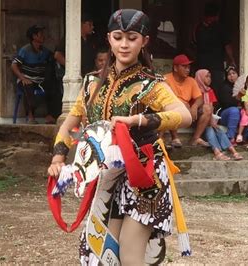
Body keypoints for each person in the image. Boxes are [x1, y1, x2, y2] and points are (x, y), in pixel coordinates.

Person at [47, 9, 192, 264]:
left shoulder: (151, 84)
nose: (124, 44)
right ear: (109, 39)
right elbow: (70, 123)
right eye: (118, 37)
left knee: (129, 253)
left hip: (145, 177)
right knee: (104, 252)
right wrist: (58, 158)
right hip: (107, 178)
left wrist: (138, 120)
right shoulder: (91, 83)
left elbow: (185, 114)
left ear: (144, 41)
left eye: (132, 38)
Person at [11, 25, 58, 124]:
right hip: (26, 80)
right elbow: (14, 65)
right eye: (41, 34)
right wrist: (22, 78)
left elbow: (54, 57)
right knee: (28, 86)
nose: (43, 36)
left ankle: (50, 116)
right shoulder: (25, 50)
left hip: (39, 81)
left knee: (54, 87)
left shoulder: (44, 51)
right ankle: (30, 116)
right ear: (34, 36)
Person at [164, 54, 211, 147]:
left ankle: (195, 138)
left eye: (188, 67)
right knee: (175, 106)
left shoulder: (191, 81)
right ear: (175, 68)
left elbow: (199, 98)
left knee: (207, 108)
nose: (188, 70)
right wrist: (182, 104)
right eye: (184, 67)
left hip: (189, 110)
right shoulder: (165, 79)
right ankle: (175, 137)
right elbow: (165, 98)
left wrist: (195, 106)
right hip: (172, 108)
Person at [195, 69, 243, 160]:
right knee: (210, 128)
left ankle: (232, 151)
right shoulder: (195, 90)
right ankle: (217, 152)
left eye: (210, 76)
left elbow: (211, 107)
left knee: (216, 128)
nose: (209, 79)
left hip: (209, 118)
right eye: (206, 76)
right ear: (200, 78)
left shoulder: (210, 91)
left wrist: (212, 120)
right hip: (199, 121)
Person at [193, 2, 236, 90]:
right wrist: (232, 60)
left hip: (203, 65)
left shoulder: (198, 27)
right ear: (216, 15)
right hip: (215, 66)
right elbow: (227, 45)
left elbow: (193, 44)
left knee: (201, 87)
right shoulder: (219, 28)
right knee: (216, 88)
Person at [215, 65, 241, 143]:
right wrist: (238, 98)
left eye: (234, 73)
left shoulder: (244, 86)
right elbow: (227, 103)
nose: (231, 76)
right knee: (234, 111)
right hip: (225, 114)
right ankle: (230, 138)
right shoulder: (224, 87)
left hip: (240, 113)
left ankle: (244, 138)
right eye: (229, 74)